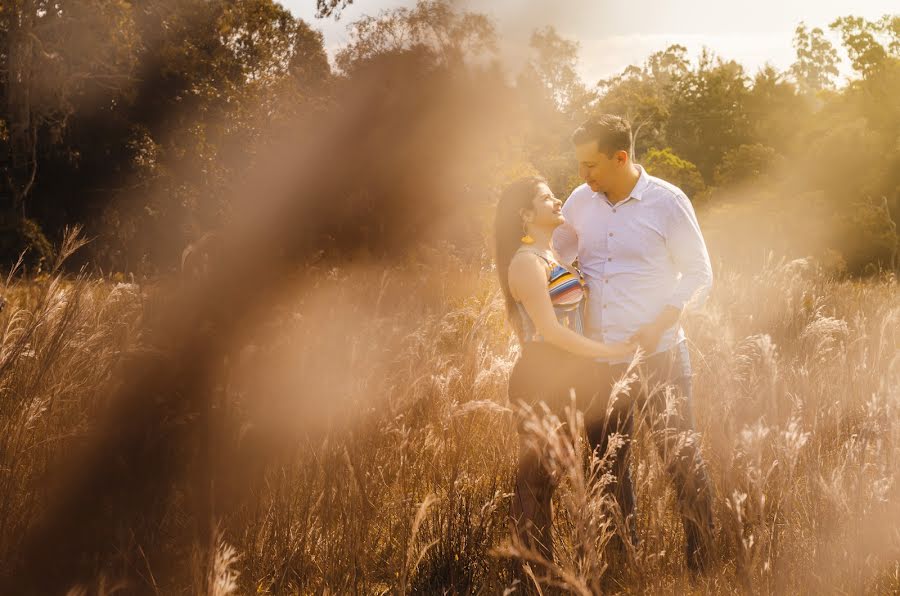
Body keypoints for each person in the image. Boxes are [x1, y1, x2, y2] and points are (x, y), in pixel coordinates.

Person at [552, 114, 716, 573]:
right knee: (608, 470)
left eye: (591, 165)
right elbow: (557, 255)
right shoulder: (580, 202)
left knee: (682, 462)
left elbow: (700, 274)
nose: (583, 176)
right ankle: (623, 565)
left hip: (660, 356)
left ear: (620, 157)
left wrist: (662, 321)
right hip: (598, 361)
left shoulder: (668, 202)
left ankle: (702, 568)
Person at [494, 176, 634, 562]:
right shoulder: (524, 263)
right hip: (542, 373)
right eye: (546, 197)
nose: (557, 201)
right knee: (538, 479)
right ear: (525, 215)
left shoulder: (554, 256)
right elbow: (551, 331)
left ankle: (549, 568)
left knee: (554, 474)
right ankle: (535, 572)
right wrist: (609, 350)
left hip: (569, 374)